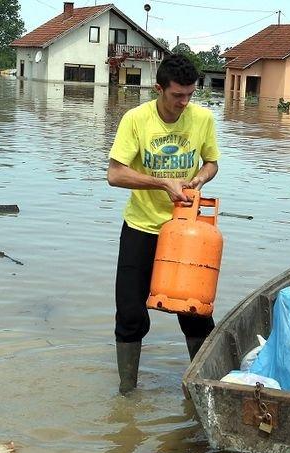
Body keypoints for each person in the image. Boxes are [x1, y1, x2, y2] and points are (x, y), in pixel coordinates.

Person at [107, 54, 220, 395]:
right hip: (142, 228)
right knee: (130, 315)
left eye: (190, 94)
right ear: (159, 89)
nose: (185, 103)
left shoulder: (202, 119)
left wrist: (199, 178)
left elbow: (211, 162)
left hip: (186, 231)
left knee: (195, 312)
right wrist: (162, 183)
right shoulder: (136, 120)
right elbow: (115, 174)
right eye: (177, 95)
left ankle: (205, 390)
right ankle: (127, 396)